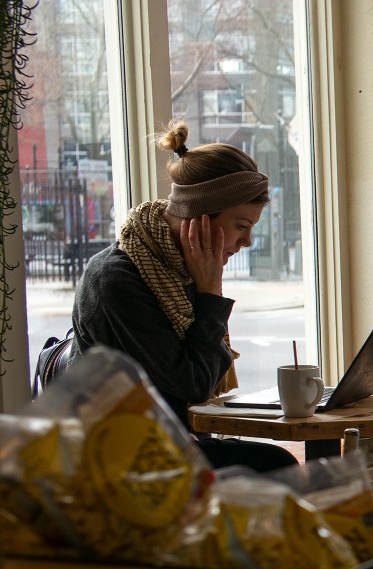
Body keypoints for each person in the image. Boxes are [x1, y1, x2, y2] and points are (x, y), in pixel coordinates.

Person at [70, 120, 297, 473]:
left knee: (281, 463)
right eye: (241, 226)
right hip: (121, 461)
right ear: (200, 219)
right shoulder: (116, 280)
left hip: (167, 437)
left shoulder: (173, 266)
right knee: (275, 465)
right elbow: (194, 384)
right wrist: (210, 295)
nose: (247, 242)